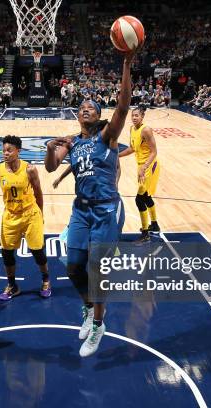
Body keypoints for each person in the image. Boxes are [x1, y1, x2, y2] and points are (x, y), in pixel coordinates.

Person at [44, 50, 136, 357]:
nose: (86, 109)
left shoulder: (108, 138)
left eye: (91, 107)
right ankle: (87, 308)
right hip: (81, 209)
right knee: (72, 267)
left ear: (99, 115)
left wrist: (125, 64)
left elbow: (123, 105)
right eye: (82, 107)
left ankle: (98, 324)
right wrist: (49, 147)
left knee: (97, 271)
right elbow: (49, 167)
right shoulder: (73, 143)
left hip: (107, 208)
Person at [0, 135, 51, 300]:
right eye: (3, 150)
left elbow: (39, 194)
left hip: (30, 214)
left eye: (9, 150)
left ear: (18, 151)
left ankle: (46, 280)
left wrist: (41, 215)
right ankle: (12, 285)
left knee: (37, 251)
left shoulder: (29, 169)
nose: (5, 153)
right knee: (7, 253)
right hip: (10, 215)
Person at [119, 106, 160, 242]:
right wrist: (117, 156)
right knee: (146, 197)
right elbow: (132, 148)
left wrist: (144, 166)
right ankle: (154, 224)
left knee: (139, 199)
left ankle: (145, 233)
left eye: (137, 115)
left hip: (150, 165)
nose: (134, 117)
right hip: (142, 166)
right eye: (133, 115)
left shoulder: (146, 130)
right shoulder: (132, 129)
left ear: (142, 117)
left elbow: (154, 152)